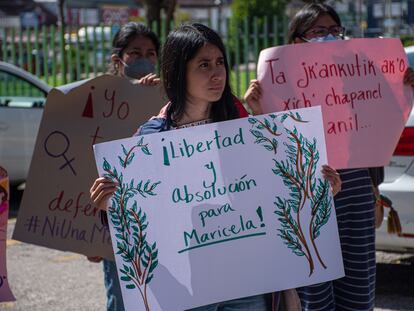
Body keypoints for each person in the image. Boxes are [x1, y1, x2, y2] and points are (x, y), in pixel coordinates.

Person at [90, 23, 341, 311]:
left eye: (220, 62)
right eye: (204, 64)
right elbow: (136, 223)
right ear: (178, 71)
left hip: (248, 281)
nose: (217, 73)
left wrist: (319, 191)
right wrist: (108, 204)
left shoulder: (247, 131)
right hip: (189, 289)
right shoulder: (150, 141)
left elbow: (278, 194)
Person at [244, 3, 414, 311]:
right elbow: (267, 154)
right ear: (296, 41)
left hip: (356, 197)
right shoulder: (275, 88)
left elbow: (383, 124)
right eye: (319, 32)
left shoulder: (359, 78)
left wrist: (405, 89)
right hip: (308, 199)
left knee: (358, 293)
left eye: (335, 30)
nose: (330, 37)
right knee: (315, 295)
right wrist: (257, 112)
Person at [86, 21, 161, 311]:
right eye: (136, 52)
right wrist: (87, 239)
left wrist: (151, 101)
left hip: (157, 218)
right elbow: (84, 166)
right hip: (116, 222)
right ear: (118, 59)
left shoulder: (171, 99)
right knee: (121, 300)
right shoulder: (101, 102)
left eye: (151, 52)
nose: (145, 58)